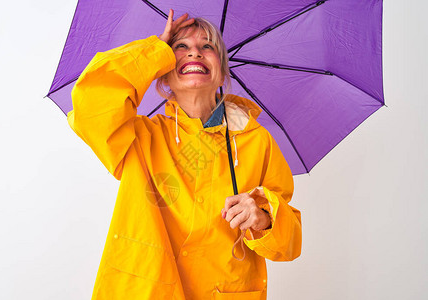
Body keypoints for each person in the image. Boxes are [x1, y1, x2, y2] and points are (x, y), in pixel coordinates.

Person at [67, 9, 302, 300]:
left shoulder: (256, 140)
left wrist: (263, 219)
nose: (195, 53)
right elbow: (90, 102)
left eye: (208, 46)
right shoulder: (139, 137)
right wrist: (156, 50)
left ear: (222, 73)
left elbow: (290, 243)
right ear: (164, 75)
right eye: (181, 47)